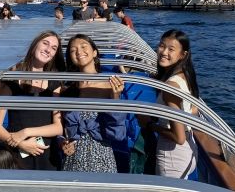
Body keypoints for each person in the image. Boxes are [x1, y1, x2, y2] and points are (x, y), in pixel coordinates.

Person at [0, 30, 65, 170]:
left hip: (46, 153)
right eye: (45, 43)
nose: (48, 49)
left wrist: (26, 132)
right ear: (35, 44)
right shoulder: (13, 79)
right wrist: (20, 143)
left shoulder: (55, 83)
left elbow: (58, 127)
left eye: (54, 48)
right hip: (17, 151)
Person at [60, 34, 126, 173]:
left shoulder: (110, 84)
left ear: (94, 52)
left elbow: (117, 133)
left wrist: (115, 98)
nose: (79, 52)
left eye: (84, 47)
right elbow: (62, 127)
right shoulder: (68, 88)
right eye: (73, 50)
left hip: (101, 155)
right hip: (74, 158)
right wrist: (63, 142)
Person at [140, 29, 199, 179]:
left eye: (171, 49)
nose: (164, 52)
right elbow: (194, 110)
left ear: (182, 55)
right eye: (161, 46)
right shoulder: (186, 75)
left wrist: (149, 125)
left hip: (172, 156)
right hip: (190, 150)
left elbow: (179, 138)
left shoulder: (171, 87)